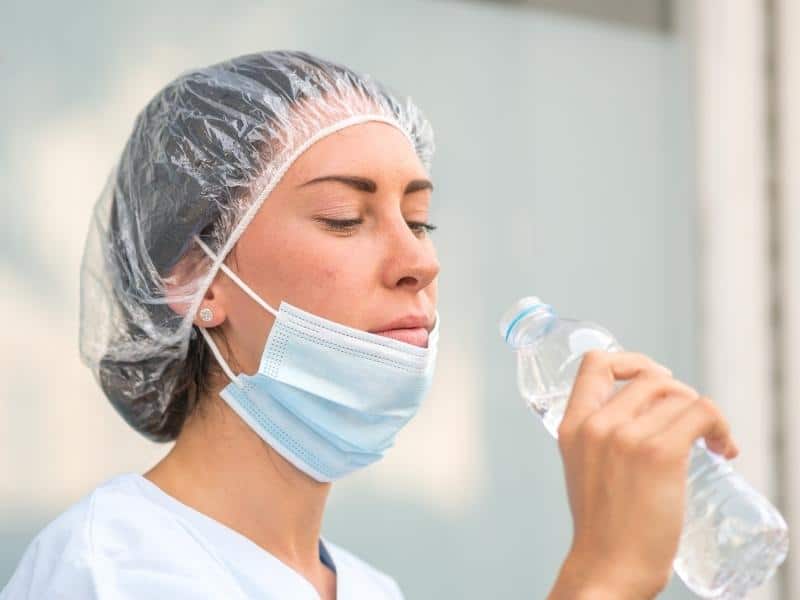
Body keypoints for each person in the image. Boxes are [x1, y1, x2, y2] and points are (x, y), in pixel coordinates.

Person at [1, 50, 738, 600]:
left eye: (420, 219)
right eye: (344, 219)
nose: (419, 260)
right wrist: (603, 577)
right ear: (196, 277)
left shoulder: (367, 588)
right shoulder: (112, 570)